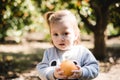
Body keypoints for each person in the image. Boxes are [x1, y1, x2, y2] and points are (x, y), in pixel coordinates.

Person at [36, 10, 99, 80]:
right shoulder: (49, 53)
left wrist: (82, 72)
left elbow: (94, 68)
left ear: (75, 34)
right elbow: (41, 70)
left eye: (66, 33)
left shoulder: (82, 52)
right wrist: (53, 74)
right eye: (56, 34)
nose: (60, 39)